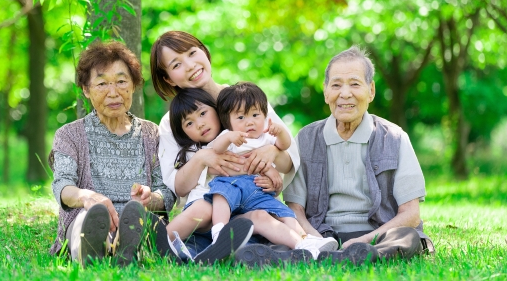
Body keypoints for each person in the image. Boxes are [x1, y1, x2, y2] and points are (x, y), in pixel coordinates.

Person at [241, 45, 434, 267]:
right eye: (336, 85)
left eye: (354, 84)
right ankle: (317, 253)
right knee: (279, 237)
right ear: (325, 92)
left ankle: (349, 255)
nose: (344, 94)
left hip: (376, 234)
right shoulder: (306, 138)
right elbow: (295, 209)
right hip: (321, 231)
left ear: (371, 91)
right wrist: (315, 240)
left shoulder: (394, 137)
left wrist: (363, 241)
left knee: (408, 238)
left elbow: (411, 214)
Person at [150, 30, 301, 260]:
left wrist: (270, 152)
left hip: (252, 205)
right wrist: (203, 159)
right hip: (208, 215)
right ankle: (159, 246)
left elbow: (288, 159)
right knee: (207, 214)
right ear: (168, 78)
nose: (190, 65)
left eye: (192, 53)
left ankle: (283, 249)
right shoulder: (172, 123)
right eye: (177, 64)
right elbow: (177, 184)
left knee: (267, 227)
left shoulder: (245, 98)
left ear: (204, 51)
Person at [164, 83, 337, 261]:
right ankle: (160, 240)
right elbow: (223, 163)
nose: (200, 124)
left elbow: (284, 150)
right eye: (190, 123)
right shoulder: (207, 147)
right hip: (212, 210)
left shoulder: (256, 135)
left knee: (268, 217)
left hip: (245, 211)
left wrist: (272, 166)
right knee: (205, 208)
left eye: (202, 113)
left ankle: (303, 244)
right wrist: (266, 169)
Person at [48, 41, 175, 266]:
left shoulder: (151, 133)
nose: (113, 92)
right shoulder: (69, 134)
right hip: (88, 217)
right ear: (86, 90)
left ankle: (126, 249)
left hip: (137, 220)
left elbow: (167, 193)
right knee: (88, 219)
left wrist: (149, 198)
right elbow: (63, 187)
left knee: (138, 219)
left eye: (121, 81)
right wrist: (87, 197)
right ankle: (93, 251)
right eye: (102, 84)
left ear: (133, 85)